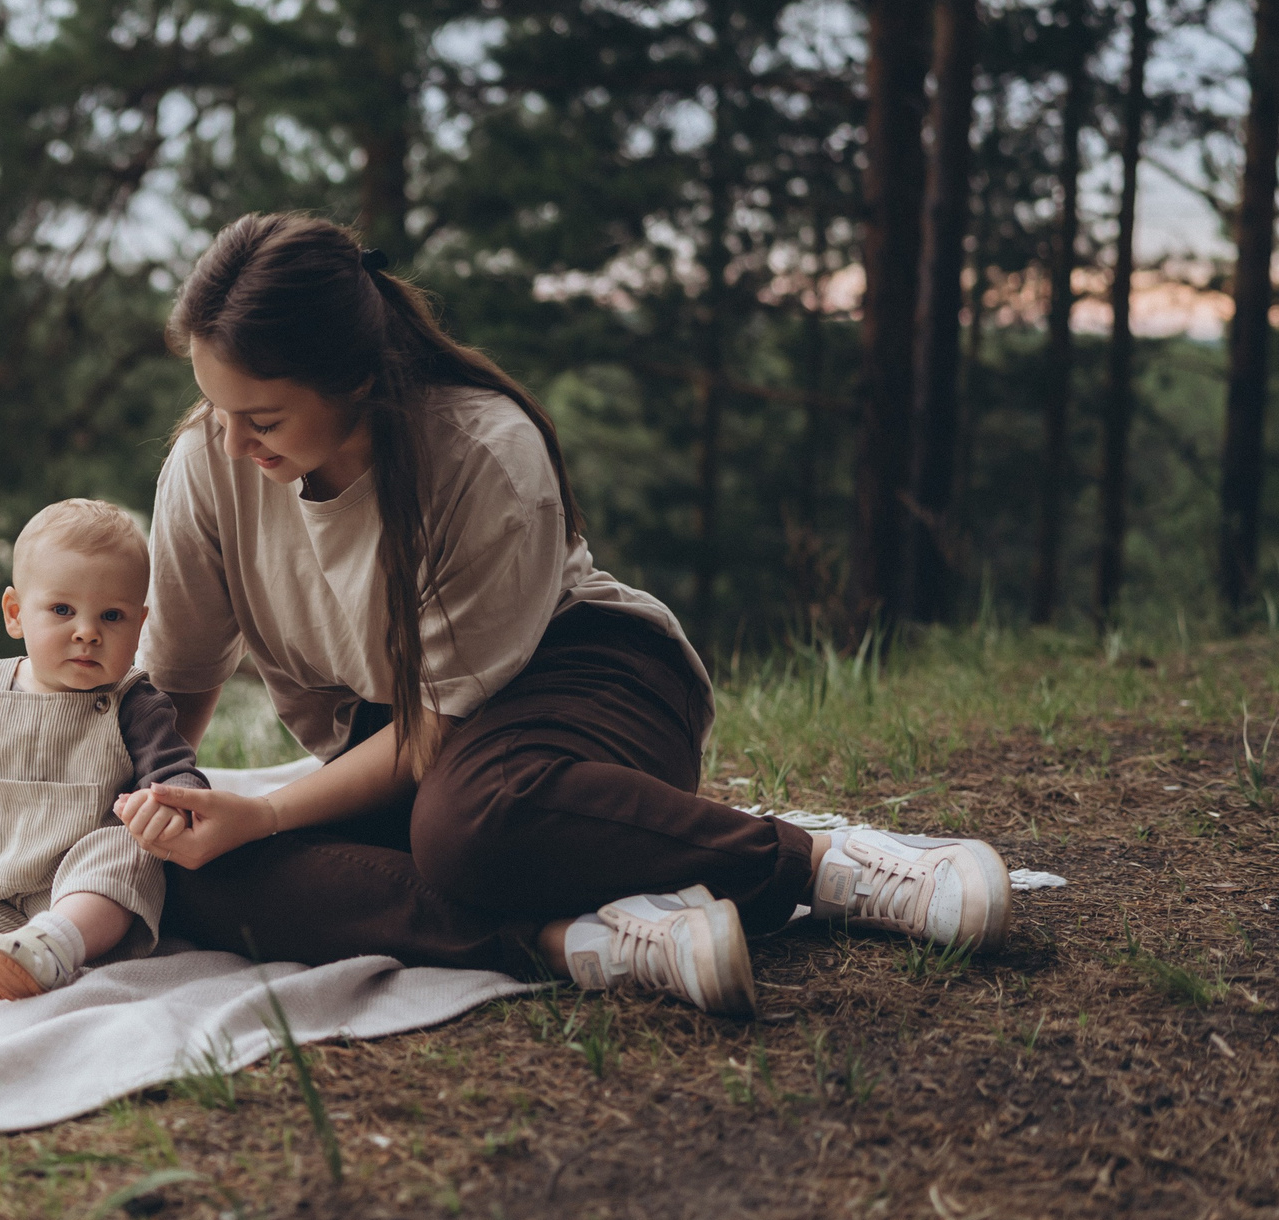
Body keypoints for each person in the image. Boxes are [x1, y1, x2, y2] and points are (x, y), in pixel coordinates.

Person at [110, 213, 1011, 1017]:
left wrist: (265, 816)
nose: (228, 442)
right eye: (215, 407)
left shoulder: (482, 453)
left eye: (259, 416)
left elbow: (433, 733)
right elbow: (177, 683)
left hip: (587, 683)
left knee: (467, 827)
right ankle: (577, 940)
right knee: (187, 876)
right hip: (411, 740)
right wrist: (155, 806)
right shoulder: (209, 463)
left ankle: (821, 864)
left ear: (352, 378)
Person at [0, 499, 208, 1014]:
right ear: (15, 613)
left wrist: (168, 806)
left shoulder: (136, 705)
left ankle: (53, 945)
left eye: (111, 616)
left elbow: (176, 775)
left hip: (76, 888)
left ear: (140, 626)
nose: (87, 632)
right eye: (62, 610)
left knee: (124, 856)